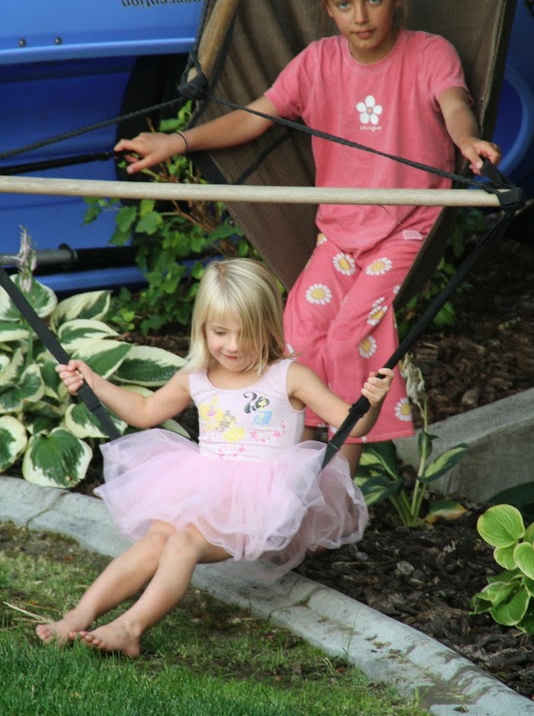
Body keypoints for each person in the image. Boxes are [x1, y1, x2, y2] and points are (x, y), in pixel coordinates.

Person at [113, 0, 501, 476]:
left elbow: (454, 102)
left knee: (347, 336)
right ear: (326, 5)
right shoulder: (317, 62)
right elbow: (253, 117)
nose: (360, 17)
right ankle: (291, 466)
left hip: (407, 227)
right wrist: (177, 141)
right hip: (338, 234)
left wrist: (467, 140)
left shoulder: (429, 53)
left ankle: (339, 481)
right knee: (296, 338)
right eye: (344, 4)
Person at [36, 258, 393, 657]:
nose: (234, 346)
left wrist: (372, 402)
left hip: (257, 500)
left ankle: (129, 628)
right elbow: (144, 411)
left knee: (183, 544)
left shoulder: (289, 376)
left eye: (247, 333)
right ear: (203, 328)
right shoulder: (196, 377)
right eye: (221, 332)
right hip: (202, 486)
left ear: (268, 328)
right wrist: (94, 383)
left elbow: (351, 425)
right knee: (156, 540)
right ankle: (77, 616)